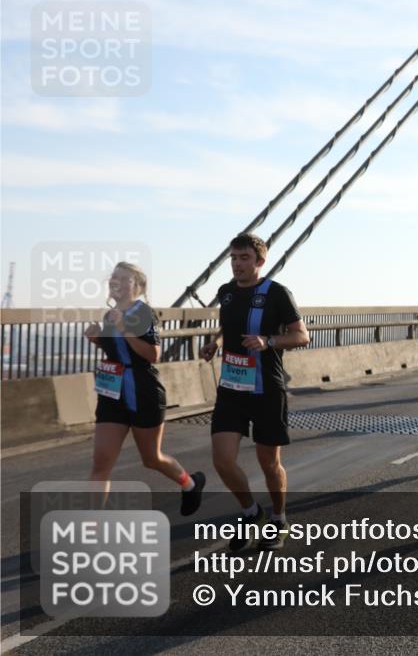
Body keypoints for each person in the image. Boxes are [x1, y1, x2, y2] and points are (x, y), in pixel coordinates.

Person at [199, 233, 310, 552]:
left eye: (244, 258)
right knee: (222, 459)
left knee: (269, 463)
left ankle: (278, 518)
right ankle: (251, 512)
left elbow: (302, 335)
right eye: (233, 258)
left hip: (266, 389)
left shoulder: (276, 293)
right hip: (232, 387)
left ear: (259, 262)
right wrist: (215, 343)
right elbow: (228, 326)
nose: (236, 264)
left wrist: (268, 342)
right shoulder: (227, 292)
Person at [84, 262, 205, 514]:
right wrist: (97, 338)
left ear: (137, 287)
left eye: (123, 278)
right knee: (100, 464)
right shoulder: (110, 314)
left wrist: (122, 328)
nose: (115, 282)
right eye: (113, 278)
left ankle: (190, 483)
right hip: (112, 394)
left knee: (151, 459)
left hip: (143, 393)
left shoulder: (144, 313)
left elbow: (152, 354)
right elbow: (117, 351)